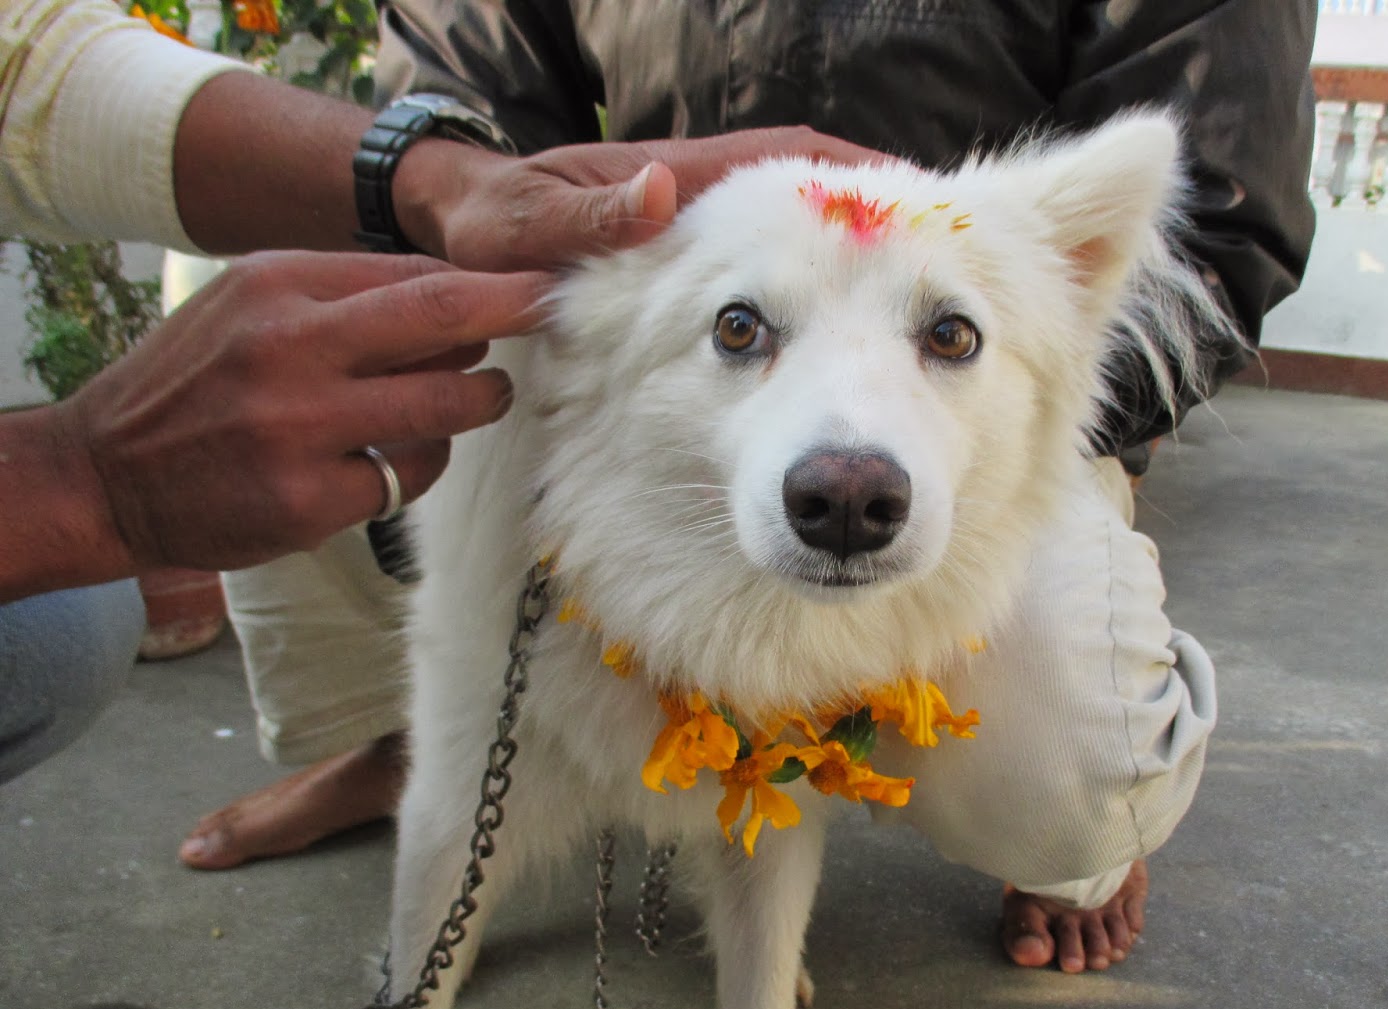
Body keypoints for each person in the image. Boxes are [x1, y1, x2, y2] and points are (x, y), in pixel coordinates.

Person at [193, 1, 1317, 974]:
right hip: (673, 318)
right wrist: (550, 234)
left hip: (982, 385)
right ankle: (410, 728)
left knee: (1064, 775)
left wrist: (993, 383)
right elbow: (462, 79)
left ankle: (1073, 840)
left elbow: (1219, 221)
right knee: (282, 320)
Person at [0, 0, 876, 782]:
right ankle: (386, 739)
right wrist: (85, 483)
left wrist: (436, 183)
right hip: (637, 292)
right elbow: (463, 37)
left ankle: (1007, 828)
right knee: (65, 634)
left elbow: (23, 60)